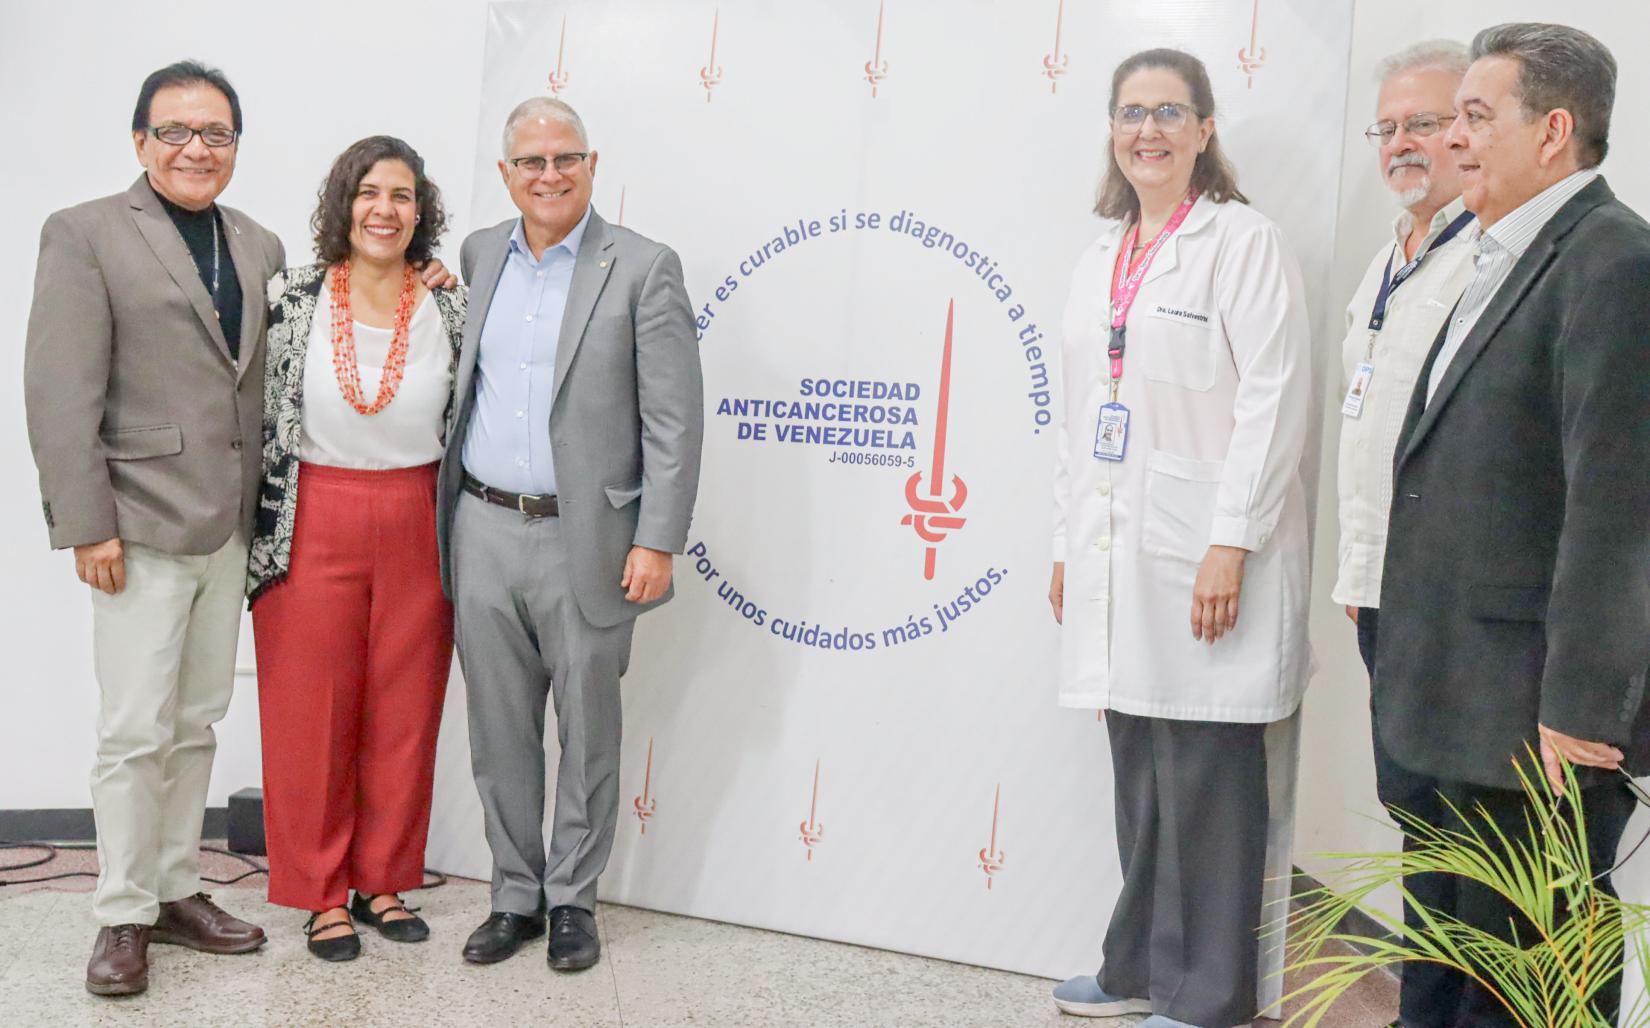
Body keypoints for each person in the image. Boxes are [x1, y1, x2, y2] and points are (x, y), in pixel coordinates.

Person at [1376, 22, 1650, 1027]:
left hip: (1534, 720)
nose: (1455, 140)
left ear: (1555, 132)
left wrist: (1584, 711)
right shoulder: (1497, 253)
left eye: (1478, 117)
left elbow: (1620, 511)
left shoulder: (1614, 264)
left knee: (1530, 982)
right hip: (1450, 696)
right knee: (1445, 968)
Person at [1046, 49, 1312, 1028]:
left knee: (1204, 772)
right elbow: (1077, 419)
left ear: (1205, 128)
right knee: (1138, 767)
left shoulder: (1243, 242)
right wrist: (1068, 544)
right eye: (1130, 112)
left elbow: (1273, 403)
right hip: (1116, 550)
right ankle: (1137, 965)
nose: (1147, 130)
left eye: (1169, 111)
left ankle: (1212, 990)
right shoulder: (1098, 256)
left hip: (1205, 553)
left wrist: (1230, 539)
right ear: (1111, 131)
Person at [23, 60, 283, 997]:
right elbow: (59, 393)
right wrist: (87, 524)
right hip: (133, 523)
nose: (195, 149)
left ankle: (177, 890)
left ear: (236, 147)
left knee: (197, 719)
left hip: (228, 524)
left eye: (214, 133)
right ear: (140, 141)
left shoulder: (258, 242)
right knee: (134, 730)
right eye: (174, 131)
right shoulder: (86, 233)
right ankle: (122, 913)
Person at [439, 97, 703, 972]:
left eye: (566, 159)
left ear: (592, 164)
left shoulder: (644, 267)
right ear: (506, 173)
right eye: (531, 162)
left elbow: (673, 420)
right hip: (480, 527)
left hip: (586, 537)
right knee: (498, 728)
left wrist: (657, 537)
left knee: (588, 728)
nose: (549, 175)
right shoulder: (479, 255)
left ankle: (571, 901)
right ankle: (513, 893)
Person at [246, 137, 465, 961]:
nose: (385, 209)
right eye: (369, 192)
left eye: (402, 195)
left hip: (419, 514)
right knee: (312, 712)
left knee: (406, 710)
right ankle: (320, 893)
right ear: (344, 204)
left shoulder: (451, 303)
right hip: (311, 510)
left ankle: (384, 879)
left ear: (422, 211)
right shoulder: (290, 296)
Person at [1330, 41, 1477, 1028]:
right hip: (1381, 588)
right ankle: (1422, 1011)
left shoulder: (1493, 257)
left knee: (1471, 832)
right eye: (1386, 129)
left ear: (1469, 129)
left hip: (1454, 600)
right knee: (1417, 820)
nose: (1401, 144)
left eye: (1420, 123)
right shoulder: (1395, 252)